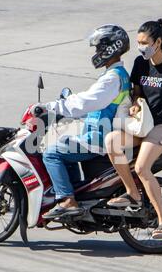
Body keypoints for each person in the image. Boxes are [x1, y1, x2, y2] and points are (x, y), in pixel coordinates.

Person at [105, 19, 162, 238]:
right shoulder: (140, 63)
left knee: (142, 168)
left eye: (145, 42)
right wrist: (136, 103)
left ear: (158, 42)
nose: (141, 46)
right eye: (138, 42)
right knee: (112, 141)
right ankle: (132, 193)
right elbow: (136, 93)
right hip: (143, 124)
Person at [41, 24, 131, 219]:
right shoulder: (116, 75)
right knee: (65, 144)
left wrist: (53, 107)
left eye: (99, 47)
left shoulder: (112, 78)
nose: (97, 52)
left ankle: (67, 200)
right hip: (99, 133)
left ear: (111, 48)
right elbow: (96, 104)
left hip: (98, 138)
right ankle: (76, 197)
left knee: (51, 153)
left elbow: (86, 101)